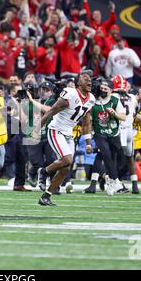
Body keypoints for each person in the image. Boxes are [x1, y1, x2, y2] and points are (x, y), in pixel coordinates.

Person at [34, 71, 96, 206]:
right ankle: (44, 172)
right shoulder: (71, 93)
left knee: (65, 167)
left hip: (69, 133)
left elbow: (86, 123)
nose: (89, 81)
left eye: (90, 79)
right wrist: (38, 128)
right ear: (79, 82)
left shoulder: (91, 99)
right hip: (56, 130)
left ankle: (46, 196)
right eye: (86, 79)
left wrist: (88, 144)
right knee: (67, 159)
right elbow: (51, 111)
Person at [83, 79, 127, 196]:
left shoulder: (114, 100)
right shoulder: (93, 102)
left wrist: (114, 113)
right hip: (99, 133)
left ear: (111, 90)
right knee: (106, 154)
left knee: (113, 159)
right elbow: (88, 122)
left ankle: (110, 181)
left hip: (113, 134)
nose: (102, 90)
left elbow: (123, 117)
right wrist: (88, 138)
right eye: (101, 88)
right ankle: (116, 181)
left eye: (105, 89)